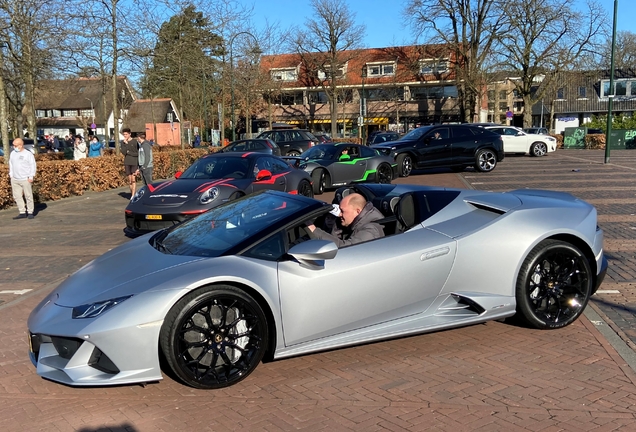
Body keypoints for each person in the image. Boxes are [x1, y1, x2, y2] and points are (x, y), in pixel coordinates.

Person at [308, 193, 384, 247]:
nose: (340, 214)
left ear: (357, 211)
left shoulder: (370, 230)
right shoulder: (356, 223)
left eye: (342, 211)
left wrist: (315, 231)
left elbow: (346, 248)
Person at [9, 138, 37, 219]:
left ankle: (30, 211)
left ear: (21, 145)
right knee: (17, 196)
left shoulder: (28, 154)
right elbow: (11, 164)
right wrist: (11, 174)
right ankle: (22, 212)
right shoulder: (12, 153)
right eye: (13, 145)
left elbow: (32, 165)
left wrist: (31, 176)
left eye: (15, 145)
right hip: (15, 178)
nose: (13, 147)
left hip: (25, 178)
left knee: (28, 196)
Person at [121, 128, 139, 198]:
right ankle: (132, 194)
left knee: (133, 179)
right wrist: (126, 144)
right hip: (127, 162)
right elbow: (124, 152)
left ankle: (133, 195)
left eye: (126, 134)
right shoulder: (123, 142)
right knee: (130, 180)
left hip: (134, 162)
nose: (125, 136)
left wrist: (129, 152)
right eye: (124, 134)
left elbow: (137, 153)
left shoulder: (135, 142)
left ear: (129, 134)